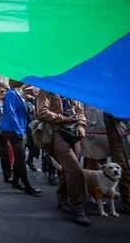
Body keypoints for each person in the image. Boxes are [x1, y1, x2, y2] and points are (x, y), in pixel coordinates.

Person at [81, 105, 130, 216]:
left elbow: (124, 106)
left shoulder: (112, 90)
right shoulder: (86, 92)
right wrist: (81, 125)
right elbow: (79, 109)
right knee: (94, 165)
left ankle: (128, 200)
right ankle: (96, 196)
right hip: (94, 131)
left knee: (121, 166)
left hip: (114, 129)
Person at [37, 90, 89, 226]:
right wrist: (65, 118)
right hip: (57, 133)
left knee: (69, 169)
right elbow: (42, 112)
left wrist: (81, 124)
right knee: (75, 169)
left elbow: (80, 110)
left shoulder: (70, 88)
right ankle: (77, 207)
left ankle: (62, 198)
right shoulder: (46, 90)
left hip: (73, 133)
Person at [0, 80, 41, 196]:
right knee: (21, 158)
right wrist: (19, 131)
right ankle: (27, 187)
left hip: (17, 128)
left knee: (19, 158)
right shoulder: (11, 94)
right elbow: (12, 113)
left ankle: (16, 182)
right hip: (13, 130)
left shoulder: (17, 93)